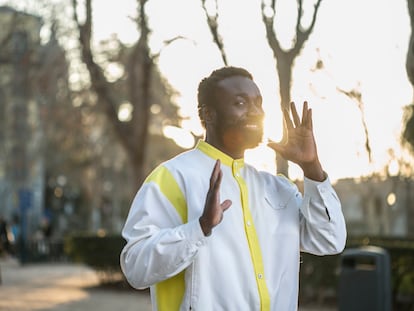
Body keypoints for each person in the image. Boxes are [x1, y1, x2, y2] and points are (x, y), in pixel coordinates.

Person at [120, 66, 347, 311]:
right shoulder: (172, 178)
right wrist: (199, 228)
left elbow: (330, 240)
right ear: (209, 114)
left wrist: (312, 168)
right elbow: (135, 267)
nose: (255, 112)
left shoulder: (276, 187)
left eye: (258, 103)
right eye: (241, 103)